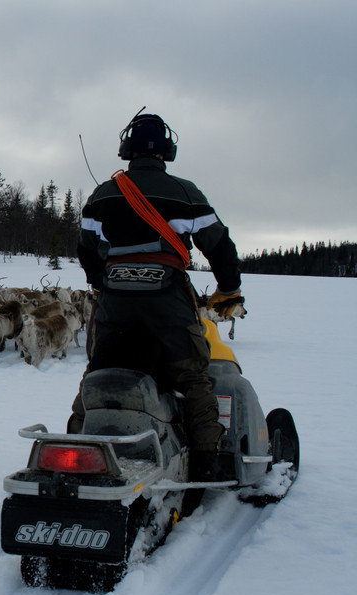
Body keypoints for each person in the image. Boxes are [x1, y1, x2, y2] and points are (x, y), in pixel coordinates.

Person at [69, 111, 243, 482]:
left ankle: (76, 445)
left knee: (99, 370)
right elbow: (220, 246)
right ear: (167, 150)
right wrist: (228, 288)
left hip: (115, 298)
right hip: (168, 300)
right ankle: (206, 462)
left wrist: (106, 280)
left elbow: (86, 250)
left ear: (127, 149)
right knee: (193, 375)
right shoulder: (186, 193)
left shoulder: (103, 194)